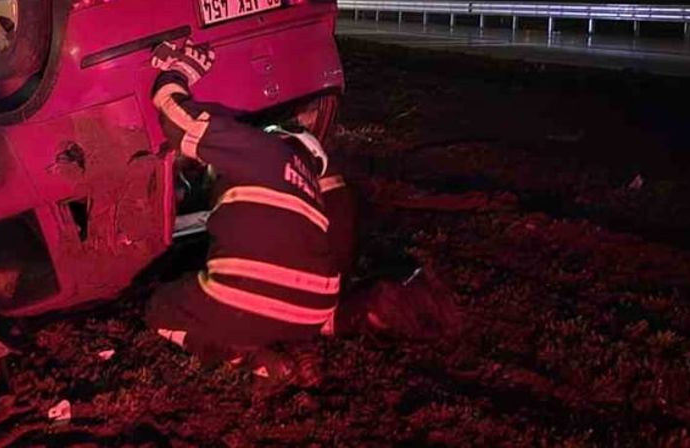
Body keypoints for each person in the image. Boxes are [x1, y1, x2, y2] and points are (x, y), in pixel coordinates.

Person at [144, 38, 460, 380]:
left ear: (278, 133)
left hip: (249, 299)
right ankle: (267, 348)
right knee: (246, 304)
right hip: (313, 311)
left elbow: (173, 113)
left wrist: (180, 70)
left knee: (158, 309)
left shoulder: (261, 149)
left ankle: (238, 355)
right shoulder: (310, 183)